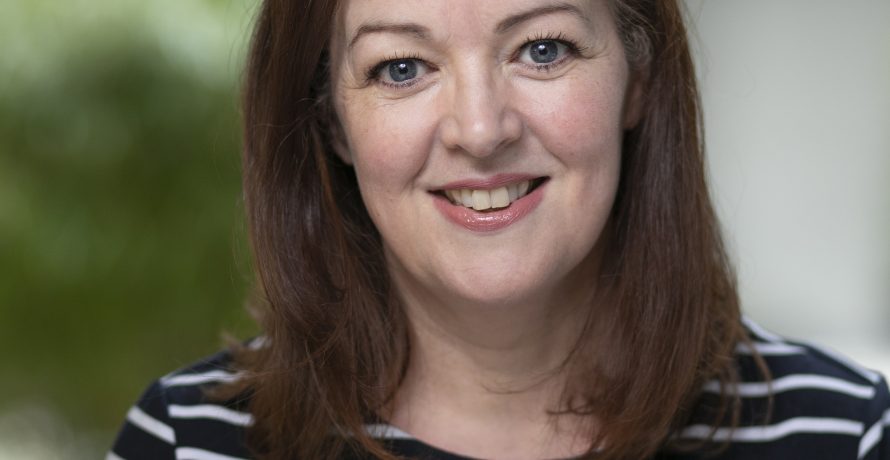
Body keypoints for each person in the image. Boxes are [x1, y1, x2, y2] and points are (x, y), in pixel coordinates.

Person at [108, 0, 890, 459]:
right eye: (401, 67)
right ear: (332, 122)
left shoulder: (847, 436)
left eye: (542, 50)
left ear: (638, 79)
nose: (480, 130)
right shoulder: (190, 442)